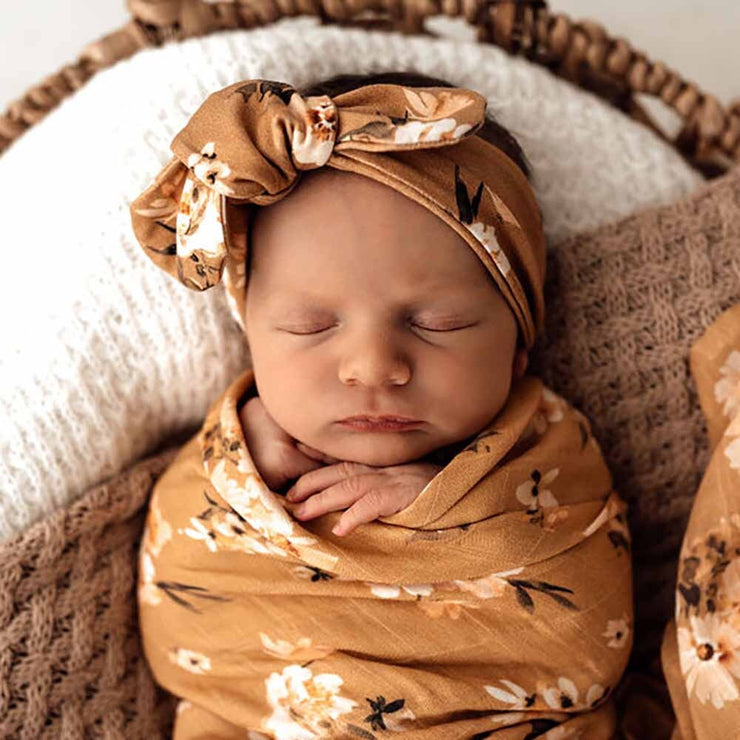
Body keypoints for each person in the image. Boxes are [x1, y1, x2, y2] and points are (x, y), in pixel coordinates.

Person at [130, 71, 633, 738]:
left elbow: (590, 629)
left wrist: (448, 505)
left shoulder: (548, 451)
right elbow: (182, 611)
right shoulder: (228, 461)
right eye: (311, 326)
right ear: (252, 339)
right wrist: (237, 465)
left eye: (440, 323)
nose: (373, 367)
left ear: (518, 343)